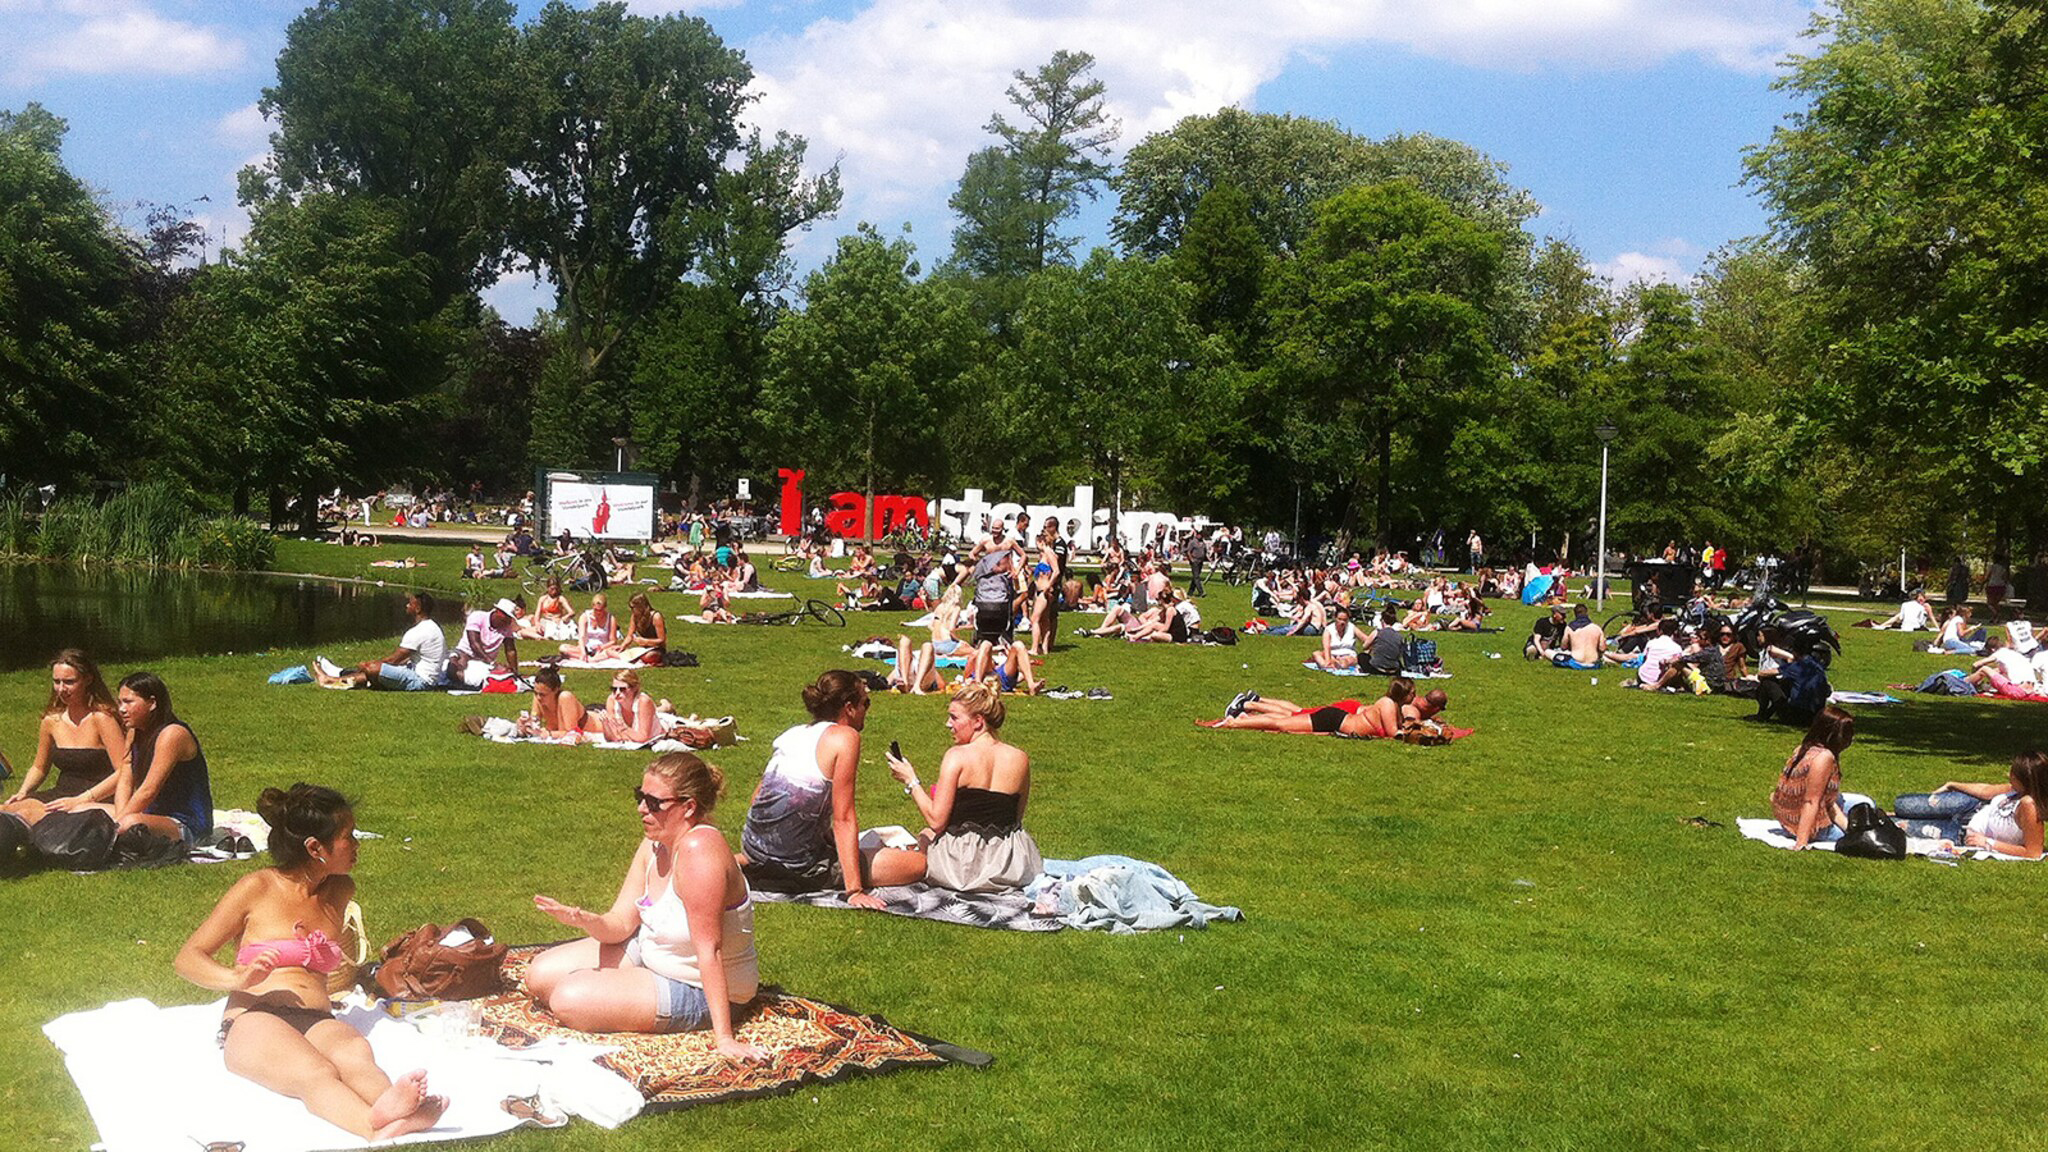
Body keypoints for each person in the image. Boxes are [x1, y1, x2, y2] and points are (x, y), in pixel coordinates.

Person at [175, 783, 446, 1140]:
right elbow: (188, 958)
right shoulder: (258, 887)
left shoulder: (339, 891)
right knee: (315, 1071)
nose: (357, 844)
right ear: (315, 848)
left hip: (316, 1017)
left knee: (354, 1053)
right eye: (348, 837)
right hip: (254, 1017)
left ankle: (392, 1106)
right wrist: (237, 979)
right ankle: (372, 1128)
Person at [525, 754, 767, 1055]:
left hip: (698, 986)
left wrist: (725, 1039)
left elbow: (710, 950)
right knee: (539, 975)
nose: (641, 808)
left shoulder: (700, 852)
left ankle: (645, 992)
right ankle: (633, 984)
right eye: (640, 797)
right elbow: (621, 924)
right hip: (655, 952)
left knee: (568, 999)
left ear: (689, 807)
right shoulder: (653, 844)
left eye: (654, 803)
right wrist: (584, 919)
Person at [871, 683, 1043, 891]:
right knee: (927, 835)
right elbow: (1016, 819)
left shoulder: (957, 756)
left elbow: (936, 821)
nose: (948, 724)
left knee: (925, 836)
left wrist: (911, 780)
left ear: (978, 721)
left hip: (963, 865)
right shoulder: (1020, 758)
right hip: (1010, 863)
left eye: (954, 717)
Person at [737, 672, 887, 909]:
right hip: (798, 864)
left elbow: (758, 797)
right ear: (849, 708)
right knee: (915, 864)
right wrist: (854, 891)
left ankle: (748, 863)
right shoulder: (846, 737)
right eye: (865, 703)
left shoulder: (793, 734)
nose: (866, 710)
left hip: (753, 846)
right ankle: (775, 867)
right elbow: (844, 818)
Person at [4, 650, 126, 811]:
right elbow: (39, 767)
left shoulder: (102, 719)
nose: (61, 689)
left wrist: (82, 799)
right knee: (7, 811)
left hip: (97, 797)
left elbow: (124, 771)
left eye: (69, 682)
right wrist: (23, 791)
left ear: (88, 680)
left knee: (33, 815)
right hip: (61, 794)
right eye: (57, 681)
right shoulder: (51, 721)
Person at [1892, 752, 2048, 857]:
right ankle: (1898, 813)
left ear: (2024, 779)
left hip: (1961, 833)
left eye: (2013, 773)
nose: (2008, 775)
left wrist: (1988, 843)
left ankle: (1892, 816)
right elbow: (1986, 791)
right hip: (1968, 806)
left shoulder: (2029, 806)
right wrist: (1953, 785)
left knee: (1895, 825)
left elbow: (2033, 853)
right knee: (1902, 805)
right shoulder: (2016, 789)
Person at [312, 593, 447, 691]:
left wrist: (369, 665)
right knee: (375, 669)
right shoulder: (433, 627)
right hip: (423, 676)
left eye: (410, 603)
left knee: (373, 669)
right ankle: (331, 679)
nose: (406, 605)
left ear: (417, 609)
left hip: (421, 681)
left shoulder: (419, 631)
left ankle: (334, 678)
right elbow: (404, 660)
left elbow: (394, 660)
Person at [1203, 679, 1415, 738]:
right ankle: (1235, 722)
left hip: (1338, 722)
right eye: (1412, 692)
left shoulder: (1394, 707)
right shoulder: (1387, 704)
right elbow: (1393, 733)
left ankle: (1243, 718)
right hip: (1335, 719)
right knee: (1283, 724)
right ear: (1404, 693)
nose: (1415, 696)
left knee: (1286, 724)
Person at [1770, 706, 1853, 849]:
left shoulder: (1804, 748)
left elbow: (1827, 801)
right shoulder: (1824, 758)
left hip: (1788, 819)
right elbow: (1811, 800)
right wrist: (1802, 841)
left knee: (1864, 803)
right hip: (1806, 825)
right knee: (1863, 823)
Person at [449, 599, 521, 687]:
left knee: (498, 676)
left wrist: (514, 671)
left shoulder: (507, 626)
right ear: (498, 612)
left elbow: (510, 650)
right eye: (505, 619)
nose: (507, 622)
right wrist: (492, 663)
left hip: (485, 661)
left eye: (509, 619)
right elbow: (474, 644)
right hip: (466, 653)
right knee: (454, 671)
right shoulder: (477, 617)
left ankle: (472, 681)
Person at [517, 667, 591, 742]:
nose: (538, 697)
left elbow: (571, 733)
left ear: (555, 690)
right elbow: (534, 723)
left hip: (595, 724)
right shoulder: (539, 698)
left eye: (543, 694)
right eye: (536, 693)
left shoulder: (565, 697)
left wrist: (548, 734)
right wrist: (524, 726)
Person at [595, 670, 660, 744]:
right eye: (614, 689)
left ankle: (665, 706)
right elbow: (614, 737)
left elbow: (643, 737)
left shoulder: (643, 701)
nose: (617, 693)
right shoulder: (611, 700)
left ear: (634, 688)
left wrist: (623, 728)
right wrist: (605, 724)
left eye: (622, 689)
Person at [563, 592, 622, 661]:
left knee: (614, 650)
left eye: (600, 610)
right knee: (563, 648)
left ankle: (589, 658)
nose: (598, 613)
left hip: (603, 648)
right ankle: (590, 658)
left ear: (605, 607)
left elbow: (613, 641)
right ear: (592, 606)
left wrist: (601, 647)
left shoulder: (610, 618)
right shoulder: (585, 616)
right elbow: (581, 637)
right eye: (596, 610)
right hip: (587, 648)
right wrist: (583, 652)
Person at [621, 592, 668, 662]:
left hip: (657, 648)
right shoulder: (634, 616)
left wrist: (646, 641)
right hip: (644, 648)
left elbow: (661, 640)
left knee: (649, 656)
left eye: (633, 608)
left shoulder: (656, 617)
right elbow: (630, 635)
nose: (632, 610)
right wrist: (622, 646)